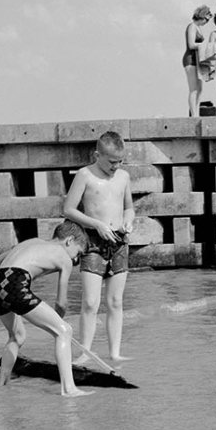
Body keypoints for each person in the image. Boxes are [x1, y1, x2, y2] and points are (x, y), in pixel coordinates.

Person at [0, 221, 92, 397]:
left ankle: (2, 384)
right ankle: (69, 389)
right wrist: (58, 323)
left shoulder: (33, 241)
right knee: (64, 331)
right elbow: (61, 303)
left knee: (17, 336)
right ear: (69, 240)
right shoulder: (64, 259)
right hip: (15, 283)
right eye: (78, 252)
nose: (75, 259)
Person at [62, 131, 135, 364]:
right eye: (112, 162)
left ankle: (114, 352)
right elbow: (69, 209)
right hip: (93, 243)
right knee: (91, 302)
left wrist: (129, 220)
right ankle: (85, 352)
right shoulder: (85, 175)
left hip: (119, 242)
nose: (116, 166)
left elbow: (129, 207)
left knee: (115, 301)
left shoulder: (123, 177)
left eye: (120, 161)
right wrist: (97, 224)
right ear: (97, 155)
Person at [183, 5, 213, 116]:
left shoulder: (198, 28)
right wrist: (205, 45)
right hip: (190, 60)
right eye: (206, 19)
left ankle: (196, 112)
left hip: (198, 61)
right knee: (193, 89)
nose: (206, 22)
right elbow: (191, 45)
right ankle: (193, 115)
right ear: (201, 16)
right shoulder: (192, 26)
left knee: (200, 89)